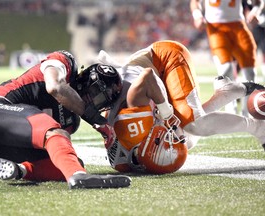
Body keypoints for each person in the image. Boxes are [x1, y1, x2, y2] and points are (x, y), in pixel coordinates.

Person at [95, 40, 265, 174]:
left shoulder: (133, 104)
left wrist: (167, 114)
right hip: (151, 81)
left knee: (194, 124)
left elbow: (148, 77)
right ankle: (227, 93)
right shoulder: (123, 154)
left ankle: (258, 128)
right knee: (186, 139)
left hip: (165, 59)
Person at [0, 50, 131, 189]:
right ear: (87, 79)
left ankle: (20, 170)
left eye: (100, 101)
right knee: (54, 133)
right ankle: (78, 176)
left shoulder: (72, 122)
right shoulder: (65, 62)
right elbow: (55, 88)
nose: (94, 102)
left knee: (69, 162)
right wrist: (95, 119)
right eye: (95, 92)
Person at [190, 0, 264, 116]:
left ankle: (248, 111)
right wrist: (198, 16)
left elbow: (257, 2)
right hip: (216, 28)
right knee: (225, 70)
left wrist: (255, 12)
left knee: (250, 72)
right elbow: (195, 1)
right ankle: (231, 111)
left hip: (239, 26)